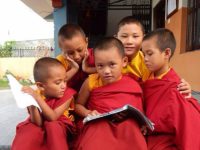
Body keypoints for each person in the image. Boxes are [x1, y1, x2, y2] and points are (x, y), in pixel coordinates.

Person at [75, 37, 147, 150]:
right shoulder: (91, 81)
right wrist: (88, 113)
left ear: (124, 62)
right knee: (95, 135)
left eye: (112, 64)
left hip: (125, 123)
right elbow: (77, 105)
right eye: (100, 66)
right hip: (99, 122)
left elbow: (139, 111)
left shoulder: (132, 84)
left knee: (132, 130)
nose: (106, 71)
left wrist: (142, 123)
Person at [141, 28, 200, 150]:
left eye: (150, 54)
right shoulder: (145, 76)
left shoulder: (176, 87)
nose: (145, 59)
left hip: (161, 137)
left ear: (167, 53)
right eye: (144, 54)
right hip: (144, 131)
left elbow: (187, 126)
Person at [116, 16, 192, 98]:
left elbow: (164, 81)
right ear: (116, 37)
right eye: (124, 36)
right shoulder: (108, 60)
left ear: (143, 38)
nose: (129, 41)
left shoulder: (149, 61)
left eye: (135, 36)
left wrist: (183, 86)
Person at [11, 57, 76, 150]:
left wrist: (37, 98)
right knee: (28, 130)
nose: (63, 86)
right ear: (41, 86)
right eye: (58, 83)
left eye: (65, 81)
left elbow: (53, 117)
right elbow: (37, 122)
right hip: (41, 124)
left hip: (59, 124)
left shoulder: (68, 94)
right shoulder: (36, 94)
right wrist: (31, 104)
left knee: (52, 127)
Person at [57, 24, 96, 92]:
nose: (76, 56)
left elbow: (107, 70)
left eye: (80, 50)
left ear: (86, 42)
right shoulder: (59, 62)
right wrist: (74, 69)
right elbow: (56, 83)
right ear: (62, 49)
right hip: (70, 98)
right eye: (70, 53)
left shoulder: (96, 55)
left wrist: (88, 69)